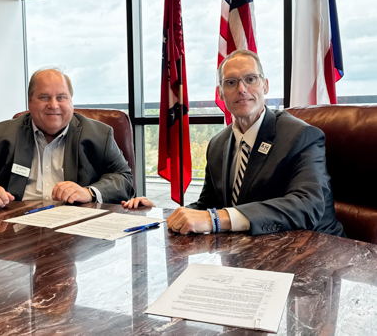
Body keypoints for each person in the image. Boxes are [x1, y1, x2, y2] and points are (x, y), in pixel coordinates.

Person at [123, 50, 344, 237]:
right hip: (252, 254)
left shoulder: (300, 136)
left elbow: (308, 205)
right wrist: (161, 216)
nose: (241, 89)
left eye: (250, 79)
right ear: (220, 93)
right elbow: (207, 206)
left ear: (265, 86)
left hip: (313, 253)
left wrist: (219, 219)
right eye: (231, 82)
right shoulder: (218, 144)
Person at [0, 68, 134, 211]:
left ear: (71, 101)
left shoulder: (99, 135)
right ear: (30, 102)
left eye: (61, 97)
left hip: (76, 232)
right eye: (44, 97)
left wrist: (89, 193)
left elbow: (123, 178)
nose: (53, 105)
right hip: (15, 234)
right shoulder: (1, 135)